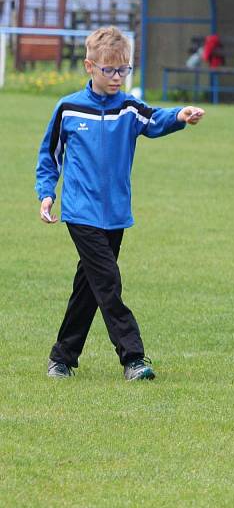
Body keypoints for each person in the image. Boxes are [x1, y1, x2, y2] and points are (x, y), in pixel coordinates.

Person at [35, 26, 205, 380]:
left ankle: (61, 357)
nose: (116, 77)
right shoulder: (68, 109)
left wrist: (180, 116)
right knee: (108, 283)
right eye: (109, 70)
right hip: (81, 212)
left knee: (89, 287)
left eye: (123, 70)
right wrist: (47, 193)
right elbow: (49, 156)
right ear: (89, 66)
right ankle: (133, 358)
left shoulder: (129, 108)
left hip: (115, 214)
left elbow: (155, 119)